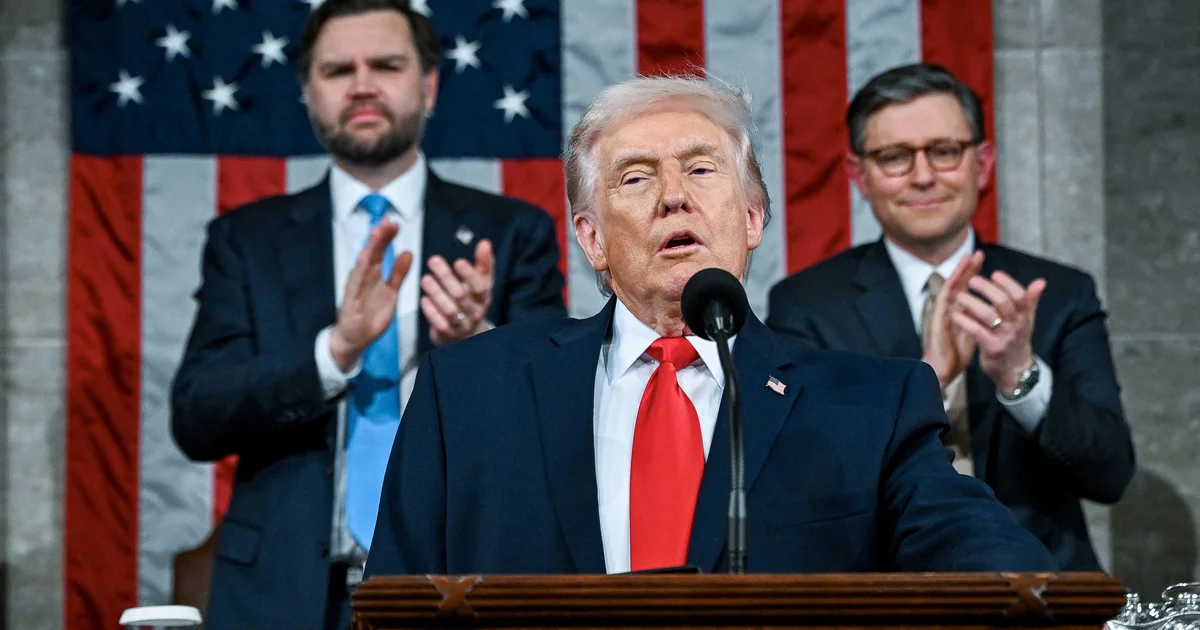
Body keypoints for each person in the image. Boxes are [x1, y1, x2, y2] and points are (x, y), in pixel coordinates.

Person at [361, 74, 1057, 580]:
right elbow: (397, 599)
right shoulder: (471, 392)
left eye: (701, 169)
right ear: (591, 238)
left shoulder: (871, 404)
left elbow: (985, 556)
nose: (673, 197)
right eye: (635, 179)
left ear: (753, 219)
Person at [169, 1, 567, 628]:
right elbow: (196, 416)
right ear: (306, 92)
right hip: (282, 592)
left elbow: (564, 418)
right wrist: (335, 350)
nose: (362, 85)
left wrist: (478, 344)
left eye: (385, 65)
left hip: (457, 582)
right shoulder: (246, 240)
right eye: (337, 70)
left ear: (429, 85)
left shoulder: (512, 232)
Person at [766, 63, 1134, 572]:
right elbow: (805, 482)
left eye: (943, 152)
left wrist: (1019, 376)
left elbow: (1111, 474)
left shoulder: (1058, 293)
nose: (923, 176)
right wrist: (929, 379)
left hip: (1044, 591)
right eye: (895, 157)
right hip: (889, 594)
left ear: (981, 163)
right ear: (859, 175)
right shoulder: (806, 305)